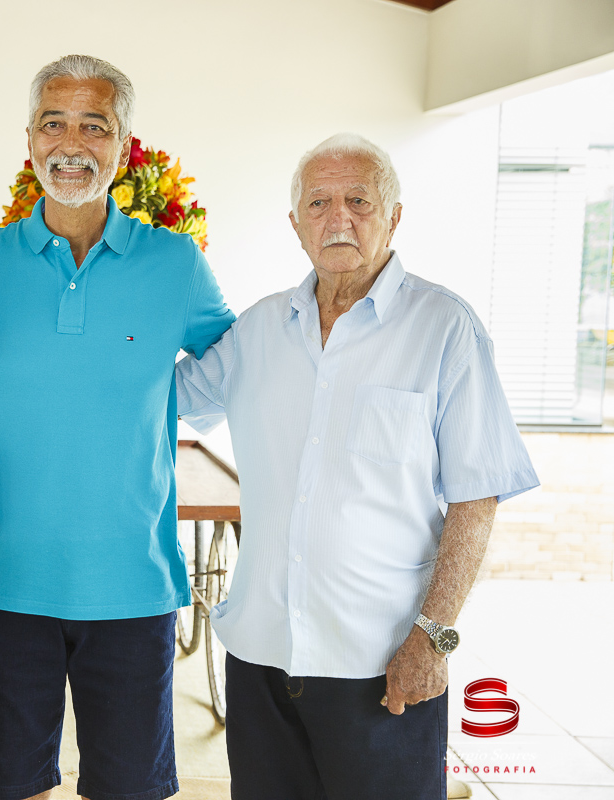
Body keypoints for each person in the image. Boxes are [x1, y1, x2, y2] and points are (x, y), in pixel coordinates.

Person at [175, 132, 539, 800]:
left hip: (383, 667)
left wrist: (434, 639)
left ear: (394, 215)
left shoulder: (445, 329)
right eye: (317, 202)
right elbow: (154, 401)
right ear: (295, 224)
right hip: (260, 661)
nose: (336, 217)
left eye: (357, 200)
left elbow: (477, 499)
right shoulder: (257, 330)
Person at [0, 56, 234, 800]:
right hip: (0, 583)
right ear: (28, 139)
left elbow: (240, 367)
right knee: (13, 785)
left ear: (122, 145)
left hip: (131, 585)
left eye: (94, 125)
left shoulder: (176, 263)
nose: (71, 141)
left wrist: (162, 397)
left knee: (128, 788)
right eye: (53, 122)